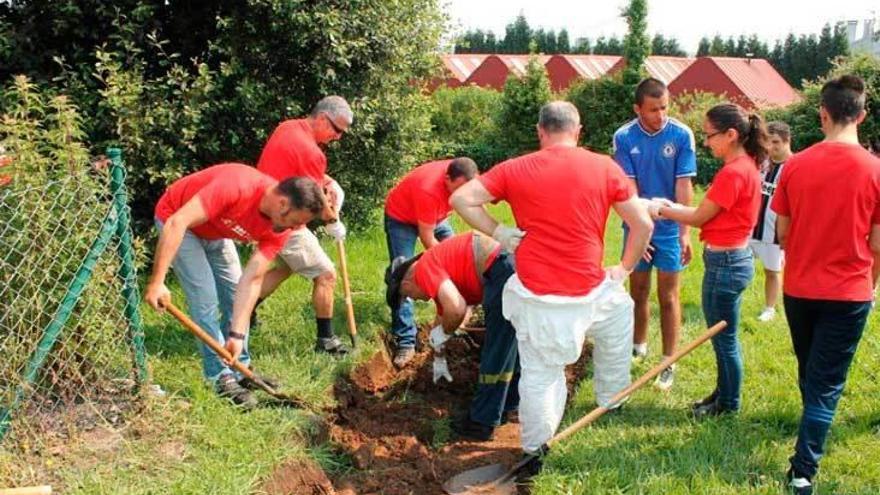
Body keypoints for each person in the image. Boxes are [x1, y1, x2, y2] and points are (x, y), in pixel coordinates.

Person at [450, 101, 653, 478]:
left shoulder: (515, 168)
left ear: (540, 131)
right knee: (618, 320)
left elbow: (460, 199)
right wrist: (623, 268)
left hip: (537, 296)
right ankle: (611, 400)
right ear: (578, 131)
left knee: (541, 375)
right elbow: (642, 224)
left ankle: (533, 453)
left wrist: (497, 231)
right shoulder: (605, 167)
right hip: (590, 292)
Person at [770, 75, 880, 495]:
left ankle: (806, 441)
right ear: (862, 114)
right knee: (826, 383)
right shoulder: (874, 170)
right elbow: (877, 243)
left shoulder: (794, 166)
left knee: (811, 371)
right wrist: (870, 284)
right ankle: (803, 471)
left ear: (823, 113)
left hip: (799, 286)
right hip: (849, 291)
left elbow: (782, 232)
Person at [144, 164, 324, 407]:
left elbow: (252, 279)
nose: (291, 229)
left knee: (232, 294)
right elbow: (178, 222)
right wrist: (157, 282)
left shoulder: (281, 228)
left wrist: (237, 334)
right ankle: (219, 375)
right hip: (178, 222)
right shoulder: (237, 185)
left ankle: (241, 367)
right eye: (293, 222)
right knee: (205, 299)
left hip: (216, 232)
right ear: (283, 204)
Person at [647, 103, 764, 419]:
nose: (707, 142)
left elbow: (699, 216)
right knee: (725, 337)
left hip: (726, 263)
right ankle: (723, 394)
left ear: (730, 134)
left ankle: (728, 406)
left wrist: (661, 209)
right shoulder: (746, 166)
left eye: (710, 135)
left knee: (723, 340)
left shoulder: (734, 172)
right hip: (733, 260)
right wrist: (671, 206)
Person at [385, 232, 518, 441]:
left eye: (409, 297)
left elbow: (456, 310)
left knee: (496, 353)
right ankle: (507, 406)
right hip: (507, 267)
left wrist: (447, 331)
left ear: (405, 285)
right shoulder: (436, 270)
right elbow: (441, 322)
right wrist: (439, 358)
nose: (416, 300)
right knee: (509, 348)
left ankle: (482, 424)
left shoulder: (423, 269)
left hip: (502, 271)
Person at [612, 78, 697, 390]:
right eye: (652, 109)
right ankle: (638, 346)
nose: (660, 115)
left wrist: (684, 232)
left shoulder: (681, 134)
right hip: (637, 223)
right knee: (637, 290)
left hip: (670, 227)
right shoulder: (624, 137)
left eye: (664, 107)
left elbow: (683, 185)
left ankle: (668, 361)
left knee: (669, 296)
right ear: (638, 109)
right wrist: (639, 229)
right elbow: (628, 187)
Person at [254, 96, 353, 356]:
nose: (338, 137)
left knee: (286, 267)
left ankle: (245, 310)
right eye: (337, 130)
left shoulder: (288, 128)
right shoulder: (311, 152)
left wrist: (330, 183)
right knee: (326, 275)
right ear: (322, 118)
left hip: (265, 211)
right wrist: (333, 222)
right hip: (286, 221)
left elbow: (307, 175)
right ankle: (326, 341)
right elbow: (317, 202)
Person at [383, 157, 479, 368]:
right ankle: (406, 341)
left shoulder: (464, 175)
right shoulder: (429, 189)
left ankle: (457, 316)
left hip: (436, 216)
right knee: (403, 279)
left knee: (460, 263)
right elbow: (429, 240)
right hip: (402, 218)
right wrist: (442, 277)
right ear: (447, 179)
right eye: (458, 189)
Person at [750, 121, 792, 322]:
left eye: (776, 142)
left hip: (775, 231)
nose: (771, 147)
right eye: (768, 142)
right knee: (736, 263)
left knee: (772, 270)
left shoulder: (794, 167)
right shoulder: (762, 163)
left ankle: (769, 308)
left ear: (787, 141)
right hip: (750, 227)